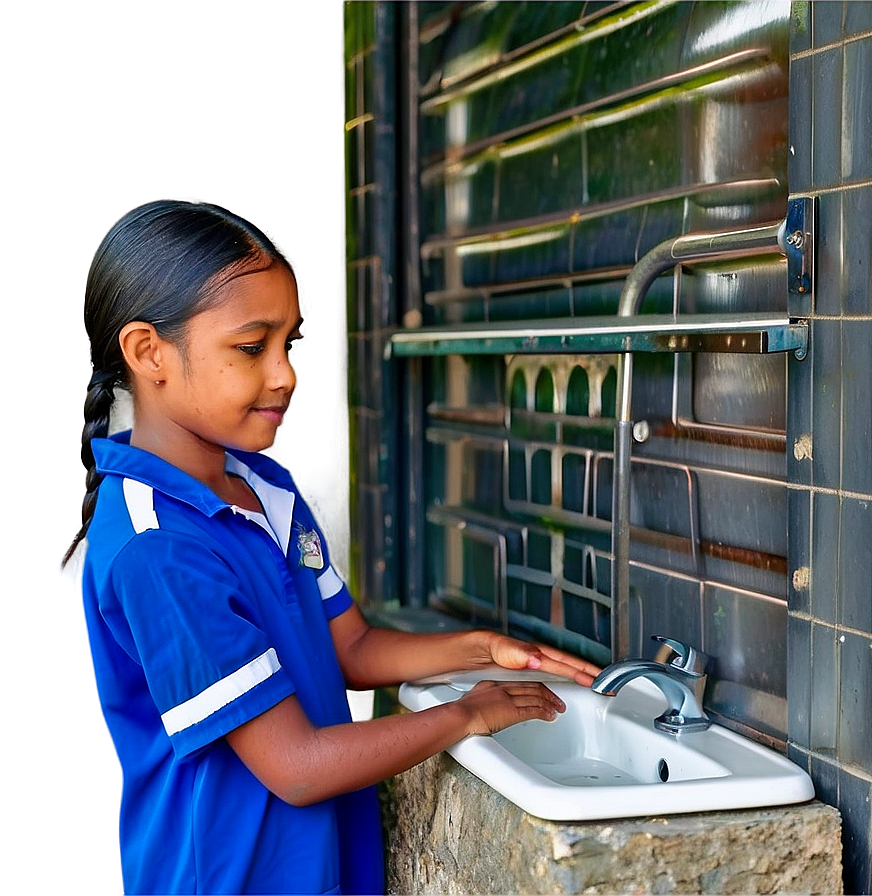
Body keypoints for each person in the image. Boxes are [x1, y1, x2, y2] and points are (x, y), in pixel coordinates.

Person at [63, 200, 601, 896]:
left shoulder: (263, 486)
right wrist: (468, 713)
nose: (286, 374)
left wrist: (481, 650)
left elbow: (350, 648)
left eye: (291, 343)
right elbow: (297, 766)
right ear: (148, 354)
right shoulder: (157, 544)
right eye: (253, 347)